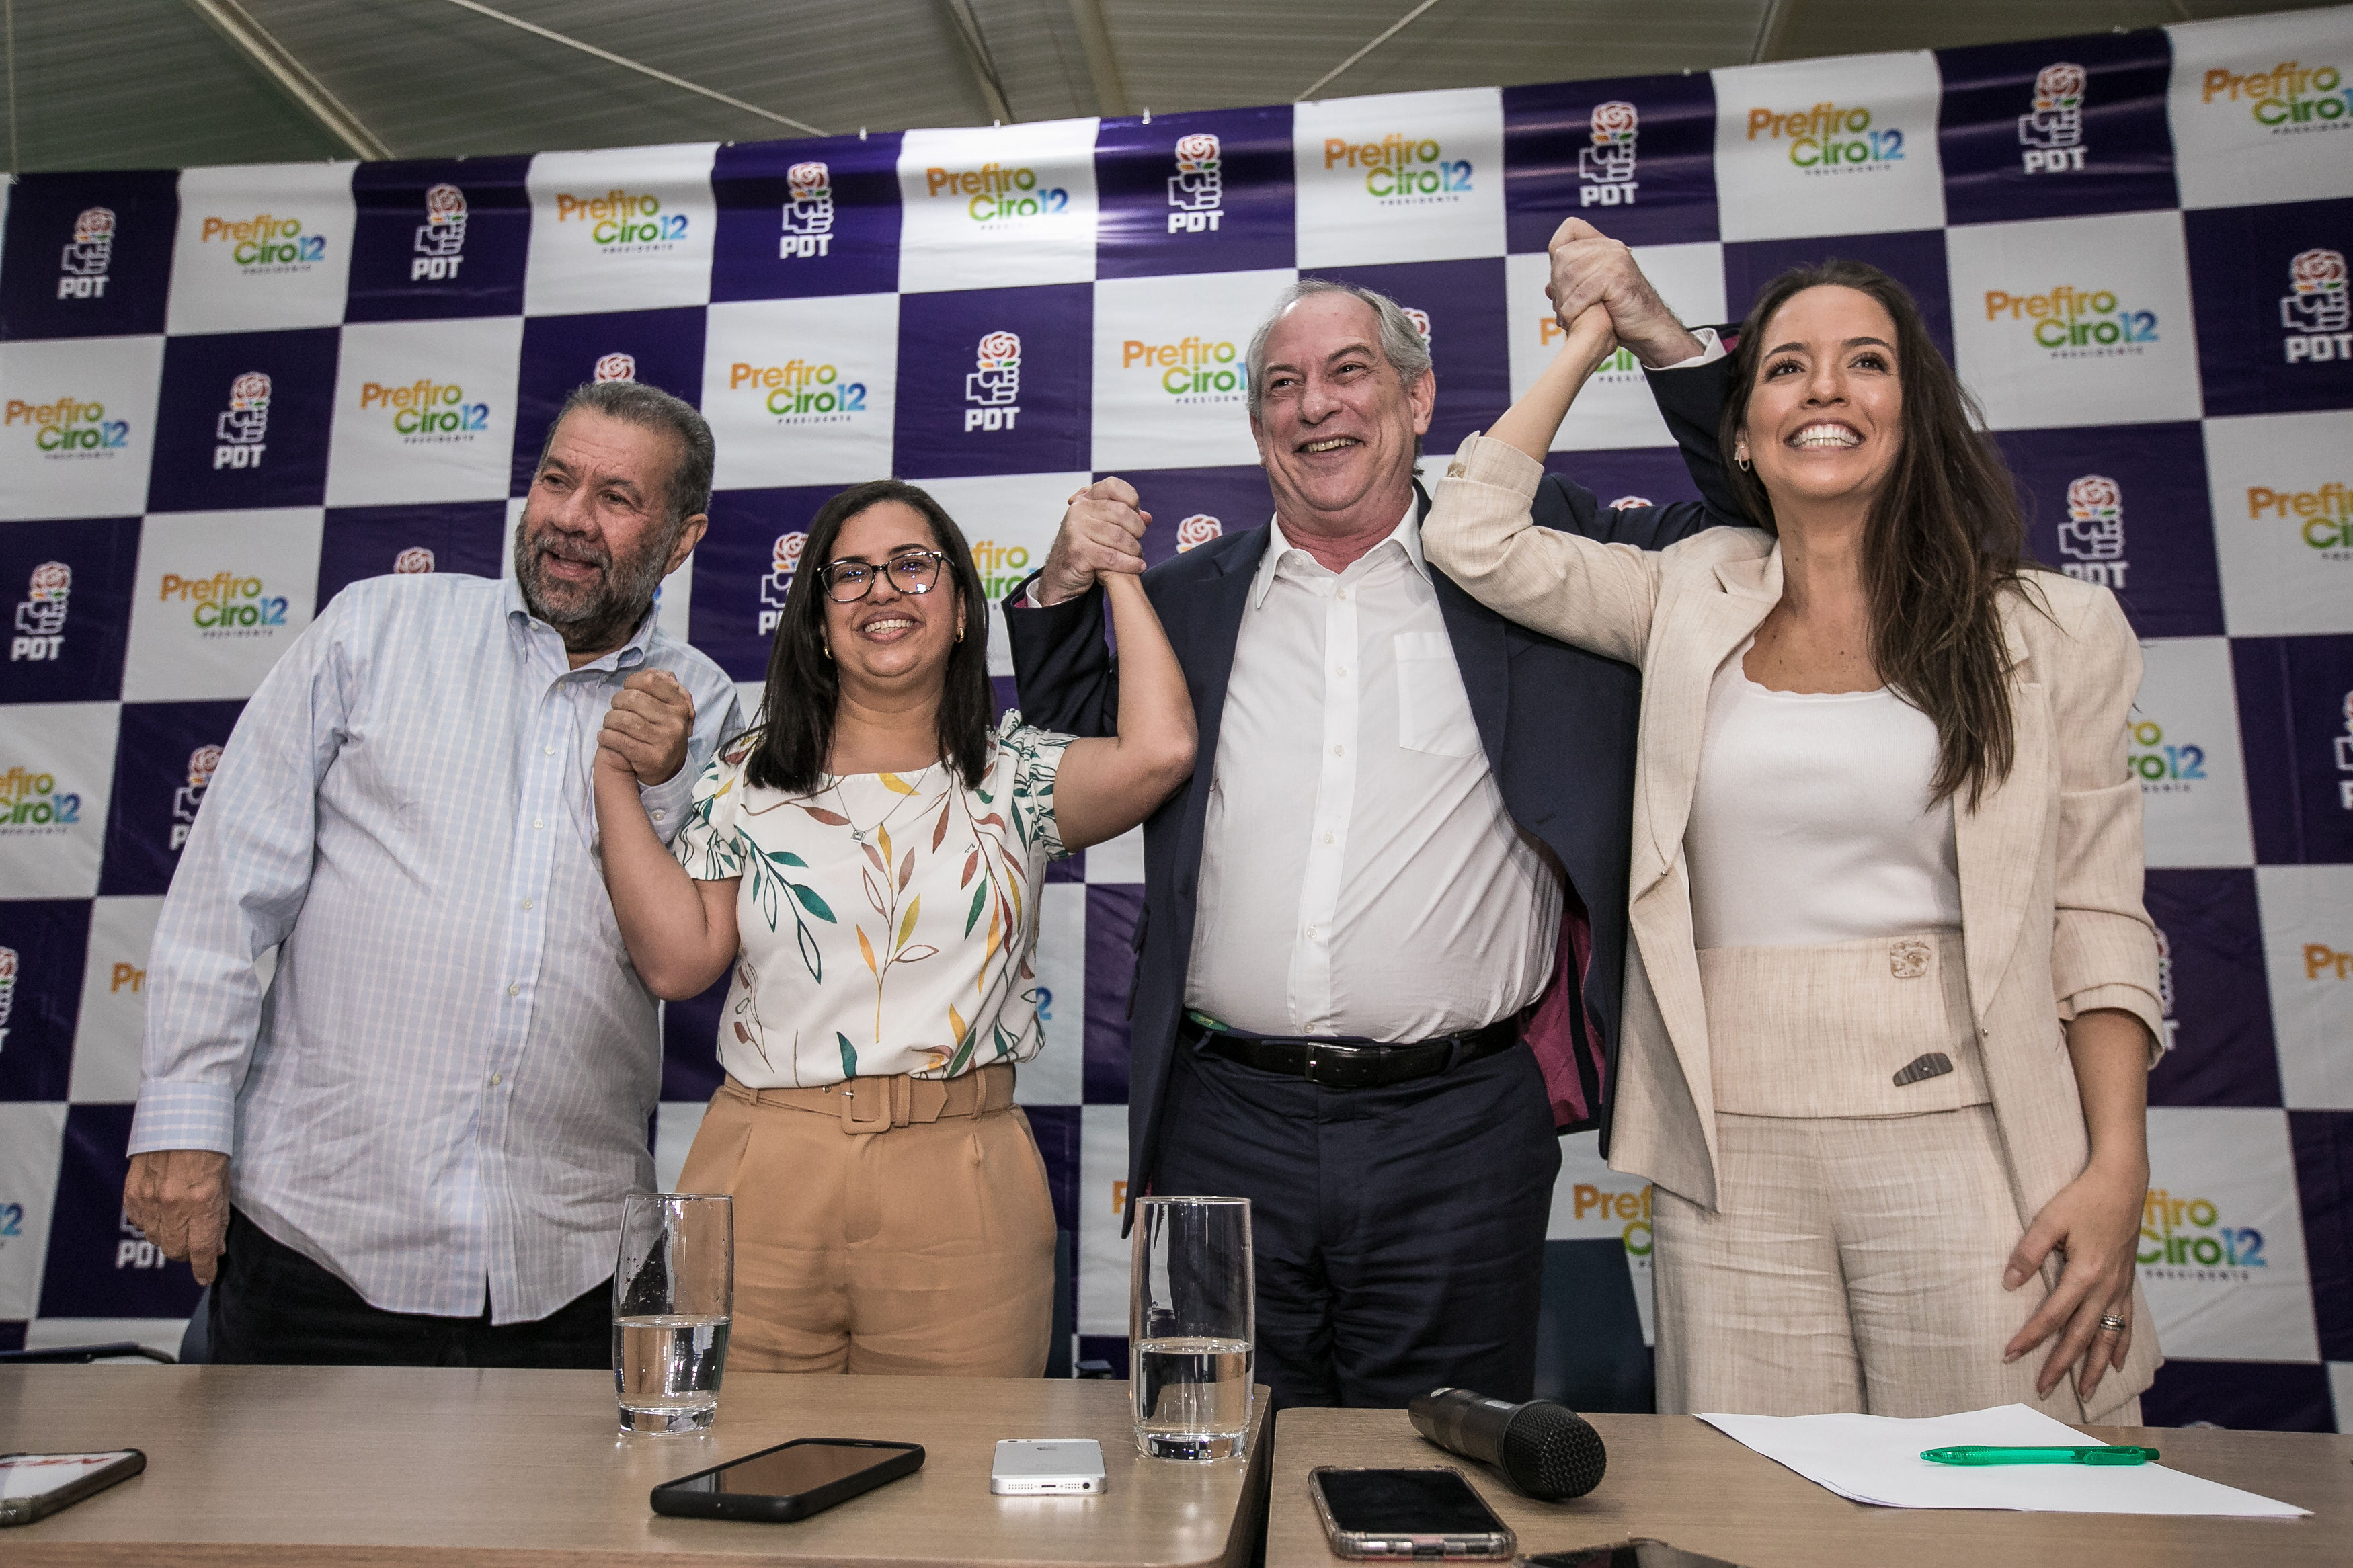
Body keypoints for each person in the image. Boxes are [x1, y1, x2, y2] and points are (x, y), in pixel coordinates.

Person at [1421, 259, 2162, 1421]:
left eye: (1868, 363)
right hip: (1729, 1151)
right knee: (1755, 1522)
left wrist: (2118, 1167)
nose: (1829, 389)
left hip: (1971, 1138)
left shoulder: (2056, 627)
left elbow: (2100, 921)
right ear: (1747, 441)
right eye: (1787, 368)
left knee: (2007, 1519)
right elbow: (1469, 533)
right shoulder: (1686, 590)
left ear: (1914, 419)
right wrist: (1595, 336)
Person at [1004, 261, 1745, 1410]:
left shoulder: (1542, 561)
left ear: (1418, 399)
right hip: (1221, 1122)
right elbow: (1059, 753)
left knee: (1434, 1483)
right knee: (1214, 1476)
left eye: (1351, 372)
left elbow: (1756, 525)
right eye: (1284, 387)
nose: (1316, 406)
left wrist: (1657, 332)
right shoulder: (1194, 596)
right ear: (1258, 428)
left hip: (1458, 1129)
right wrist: (1061, 583)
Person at [123, 380, 743, 1368]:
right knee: (264, 1528)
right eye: (556, 480)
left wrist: (664, 778)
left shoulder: (707, 706)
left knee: (555, 1530)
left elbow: (682, 949)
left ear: (682, 538)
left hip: (568, 1266)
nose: (572, 521)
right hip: (319, 1242)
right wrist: (185, 1120)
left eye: (618, 499)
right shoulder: (373, 632)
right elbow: (229, 892)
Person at [593, 477, 1195, 1377]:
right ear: (817, 622)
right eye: (851, 574)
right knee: (731, 1484)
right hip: (762, 1178)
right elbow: (680, 964)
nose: (882, 589)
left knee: (952, 1503)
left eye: (913, 566)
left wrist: (1114, 570)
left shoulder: (1014, 776)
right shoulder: (742, 777)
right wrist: (614, 776)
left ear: (960, 611)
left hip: (962, 1183)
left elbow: (1162, 750)